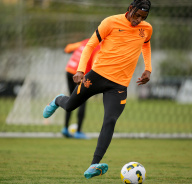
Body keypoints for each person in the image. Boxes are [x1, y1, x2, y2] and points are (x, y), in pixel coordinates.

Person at [43, 0, 152, 179]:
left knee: (109, 121)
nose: (138, 20)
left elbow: (146, 45)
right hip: (96, 77)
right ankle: (57, 100)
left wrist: (148, 69)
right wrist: (80, 70)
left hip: (119, 86)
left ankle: (93, 165)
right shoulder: (110, 22)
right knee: (70, 106)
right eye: (136, 15)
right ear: (130, 9)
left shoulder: (147, 28)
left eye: (143, 17)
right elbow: (90, 45)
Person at [62, 39, 100, 139]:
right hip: (79, 74)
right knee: (82, 101)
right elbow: (96, 65)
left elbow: (68, 48)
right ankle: (78, 131)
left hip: (69, 70)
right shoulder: (99, 48)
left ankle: (65, 128)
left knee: (71, 99)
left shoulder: (86, 41)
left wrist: (67, 52)